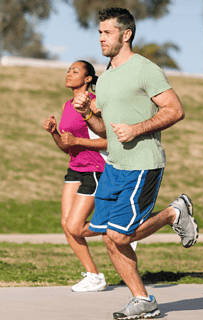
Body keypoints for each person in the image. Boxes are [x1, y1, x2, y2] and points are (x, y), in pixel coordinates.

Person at [72, 7, 198, 319]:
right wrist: (88, 114)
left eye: (107, 32)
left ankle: (173, 212)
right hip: (114, 165)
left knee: (120, 235)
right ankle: (142, 300)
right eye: (100, 32)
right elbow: (106, 131)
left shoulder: (145, 69)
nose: (102, 38)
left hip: (143, 163)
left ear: (126, 35)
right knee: (106, 235)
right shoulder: (105, 80)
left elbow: (175, 109)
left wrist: (137, 129)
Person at [43, 60, 108, 292]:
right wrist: (54, 133)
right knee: (66, 224)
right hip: (75, 168)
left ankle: (121, 227)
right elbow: (66, 147)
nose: (69, 74)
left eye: (75, 71)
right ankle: (94, 276)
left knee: (75, 226)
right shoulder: (67, 105)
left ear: (88, 79)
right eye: (68, 70)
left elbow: (110, 141)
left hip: (95, 168)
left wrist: (79, 140)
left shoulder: (95, 104)